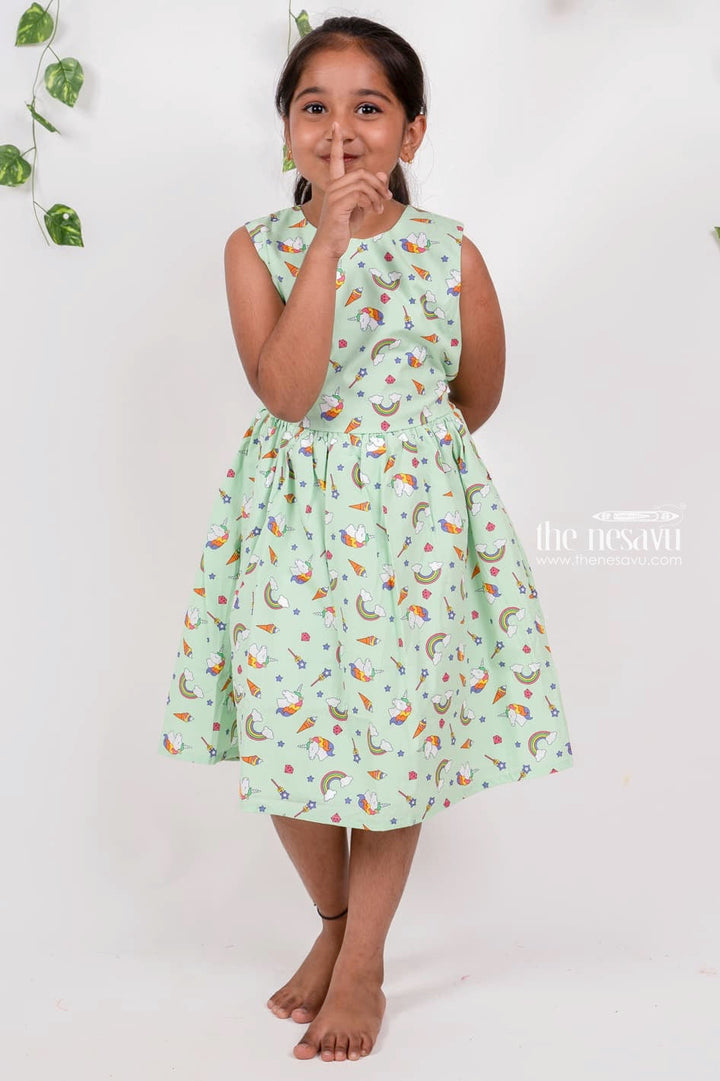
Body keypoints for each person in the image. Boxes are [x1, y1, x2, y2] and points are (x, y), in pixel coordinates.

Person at [159, 14, 575, 1064]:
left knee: (395, 738)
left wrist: (401, 465)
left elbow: (475, 395)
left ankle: (364, 963)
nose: (340, 130)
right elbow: (289, 393)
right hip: (291, 531)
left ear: (411, 131)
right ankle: (337, 924)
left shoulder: (449, 251)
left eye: (369, 108)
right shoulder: (256, 248)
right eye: (315, 106)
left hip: (413, 535)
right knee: (283, 730)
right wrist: (330, 247)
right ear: (286, 128)